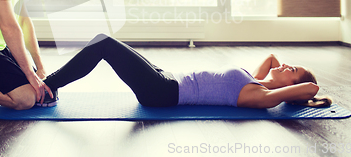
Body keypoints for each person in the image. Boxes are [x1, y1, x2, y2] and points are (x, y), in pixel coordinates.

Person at [42, 33, 331, 109]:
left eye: (293, 70)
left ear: (290, 87)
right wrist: (281, 76)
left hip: (163, 91)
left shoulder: (261, 95)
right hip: (166, 78)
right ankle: (49, 83)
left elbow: (312, 89)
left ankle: (47, 85)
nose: (286, 65)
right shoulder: (258, 81)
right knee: (113, 45)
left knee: (104, 44)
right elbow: (270, 58)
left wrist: (289, 92)